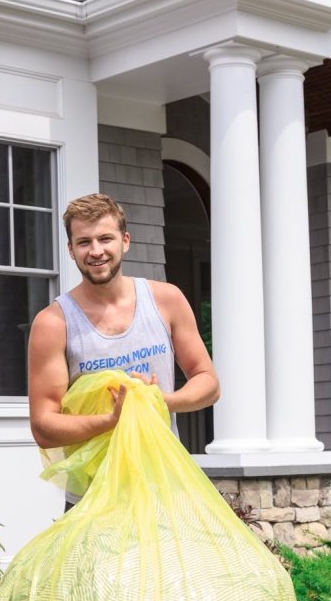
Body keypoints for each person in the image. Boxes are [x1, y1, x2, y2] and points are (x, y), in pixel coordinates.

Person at [28, 193, 219, 502]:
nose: (96, 251)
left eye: (106, 239)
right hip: (92, 502)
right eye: (84, 242)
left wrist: (159, 400)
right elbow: (44, 426)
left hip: (163, 493)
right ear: (71, 250)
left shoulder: (165, 300)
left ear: (125, 241)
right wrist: (110, 420)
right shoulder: (53, 323)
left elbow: (208, 383)